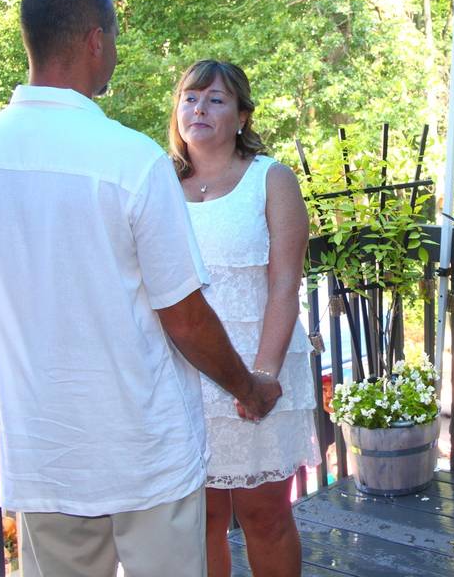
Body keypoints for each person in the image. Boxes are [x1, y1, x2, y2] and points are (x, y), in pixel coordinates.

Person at [0, 0, 281, 577]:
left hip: (41, 448)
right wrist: (249, 386)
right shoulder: (130, 159)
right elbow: (183, 318)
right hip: (142, 452)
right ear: (95, 41)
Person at [169, 59, 320, 577]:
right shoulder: (159, 183)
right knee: (201, 517)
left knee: (264, 514)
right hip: (184, 375)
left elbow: (284, 283)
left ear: (241, 115)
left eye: (216, 99)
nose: (200, 108)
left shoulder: (271, 179)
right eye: (190, 97)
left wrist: (263, 376)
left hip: (260, 367)